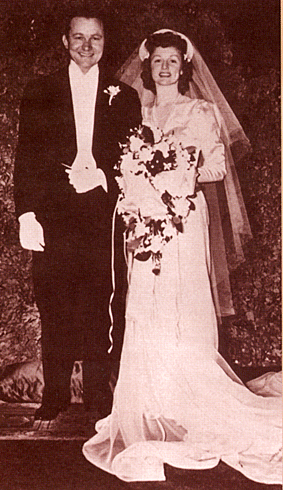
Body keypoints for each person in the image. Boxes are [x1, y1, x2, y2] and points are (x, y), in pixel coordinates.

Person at [82, 30, 282, 484]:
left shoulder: (201, 110)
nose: (165, 69)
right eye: (158, 62)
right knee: (146, 309)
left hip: (184, 220)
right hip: (145, 222)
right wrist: (140, 184)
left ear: (184, 67)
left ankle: (190, 399)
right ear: (147, 67)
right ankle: (150, 401)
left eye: (173, 61)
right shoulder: (135, 108)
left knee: (183, 307)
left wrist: (177, 165)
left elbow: (215, 166)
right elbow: (121, 166)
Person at [13, 7, 142, 421]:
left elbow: (133, 162)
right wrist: (26, 214)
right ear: (65, 42)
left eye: (96, 38)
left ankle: (99, 402)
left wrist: (104, 176)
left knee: (101, 307)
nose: (87, 46)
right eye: (79, 37)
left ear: (106, 43)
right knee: (54, 306)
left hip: (102, 218)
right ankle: (54, 397)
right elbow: (27, 156)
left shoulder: (125, 96)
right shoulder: (39, 91)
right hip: (54, 216)